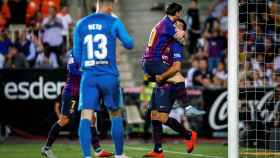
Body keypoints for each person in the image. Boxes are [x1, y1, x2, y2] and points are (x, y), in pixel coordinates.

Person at [73, 0, 134, 158]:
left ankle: (87, 156)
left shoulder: (81, 24)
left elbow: (77, 56)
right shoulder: (114, 21)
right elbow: (129, 44)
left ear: (97, 4)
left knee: (86, 115)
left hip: (89, 77)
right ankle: (119, 155)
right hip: (109, 76)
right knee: (115, 113)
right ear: (111, 6)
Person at [143, 18, 197, 158]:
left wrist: (161, 77)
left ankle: (189, 135)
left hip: (169, 85)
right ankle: (158, 150)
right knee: (154, 115)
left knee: (162, 117)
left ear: (183, 32)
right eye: (174, 25)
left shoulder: (177, 45)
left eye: (179, 26)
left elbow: (176, 68)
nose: (175, 28)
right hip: (160, 83)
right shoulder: (162, 42)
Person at [41, 55, 113, 158]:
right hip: (71, 93)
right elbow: (73, 71)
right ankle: (47, 148)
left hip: (82, 94)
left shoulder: (88, 54)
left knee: (92, 118)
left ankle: (98, 150)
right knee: (65, 120)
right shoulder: (74, 54)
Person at [142, 2, 186, 83]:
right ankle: (159, 78)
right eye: (180, 12)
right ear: (176, 13)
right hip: (154, 62)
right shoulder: (168, 25)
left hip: (146, 61)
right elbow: (182, 40)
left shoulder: (163, 22)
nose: (180, 15)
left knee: (170, 76)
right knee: (179, 78)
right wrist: (184, 33)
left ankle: (153, 78)